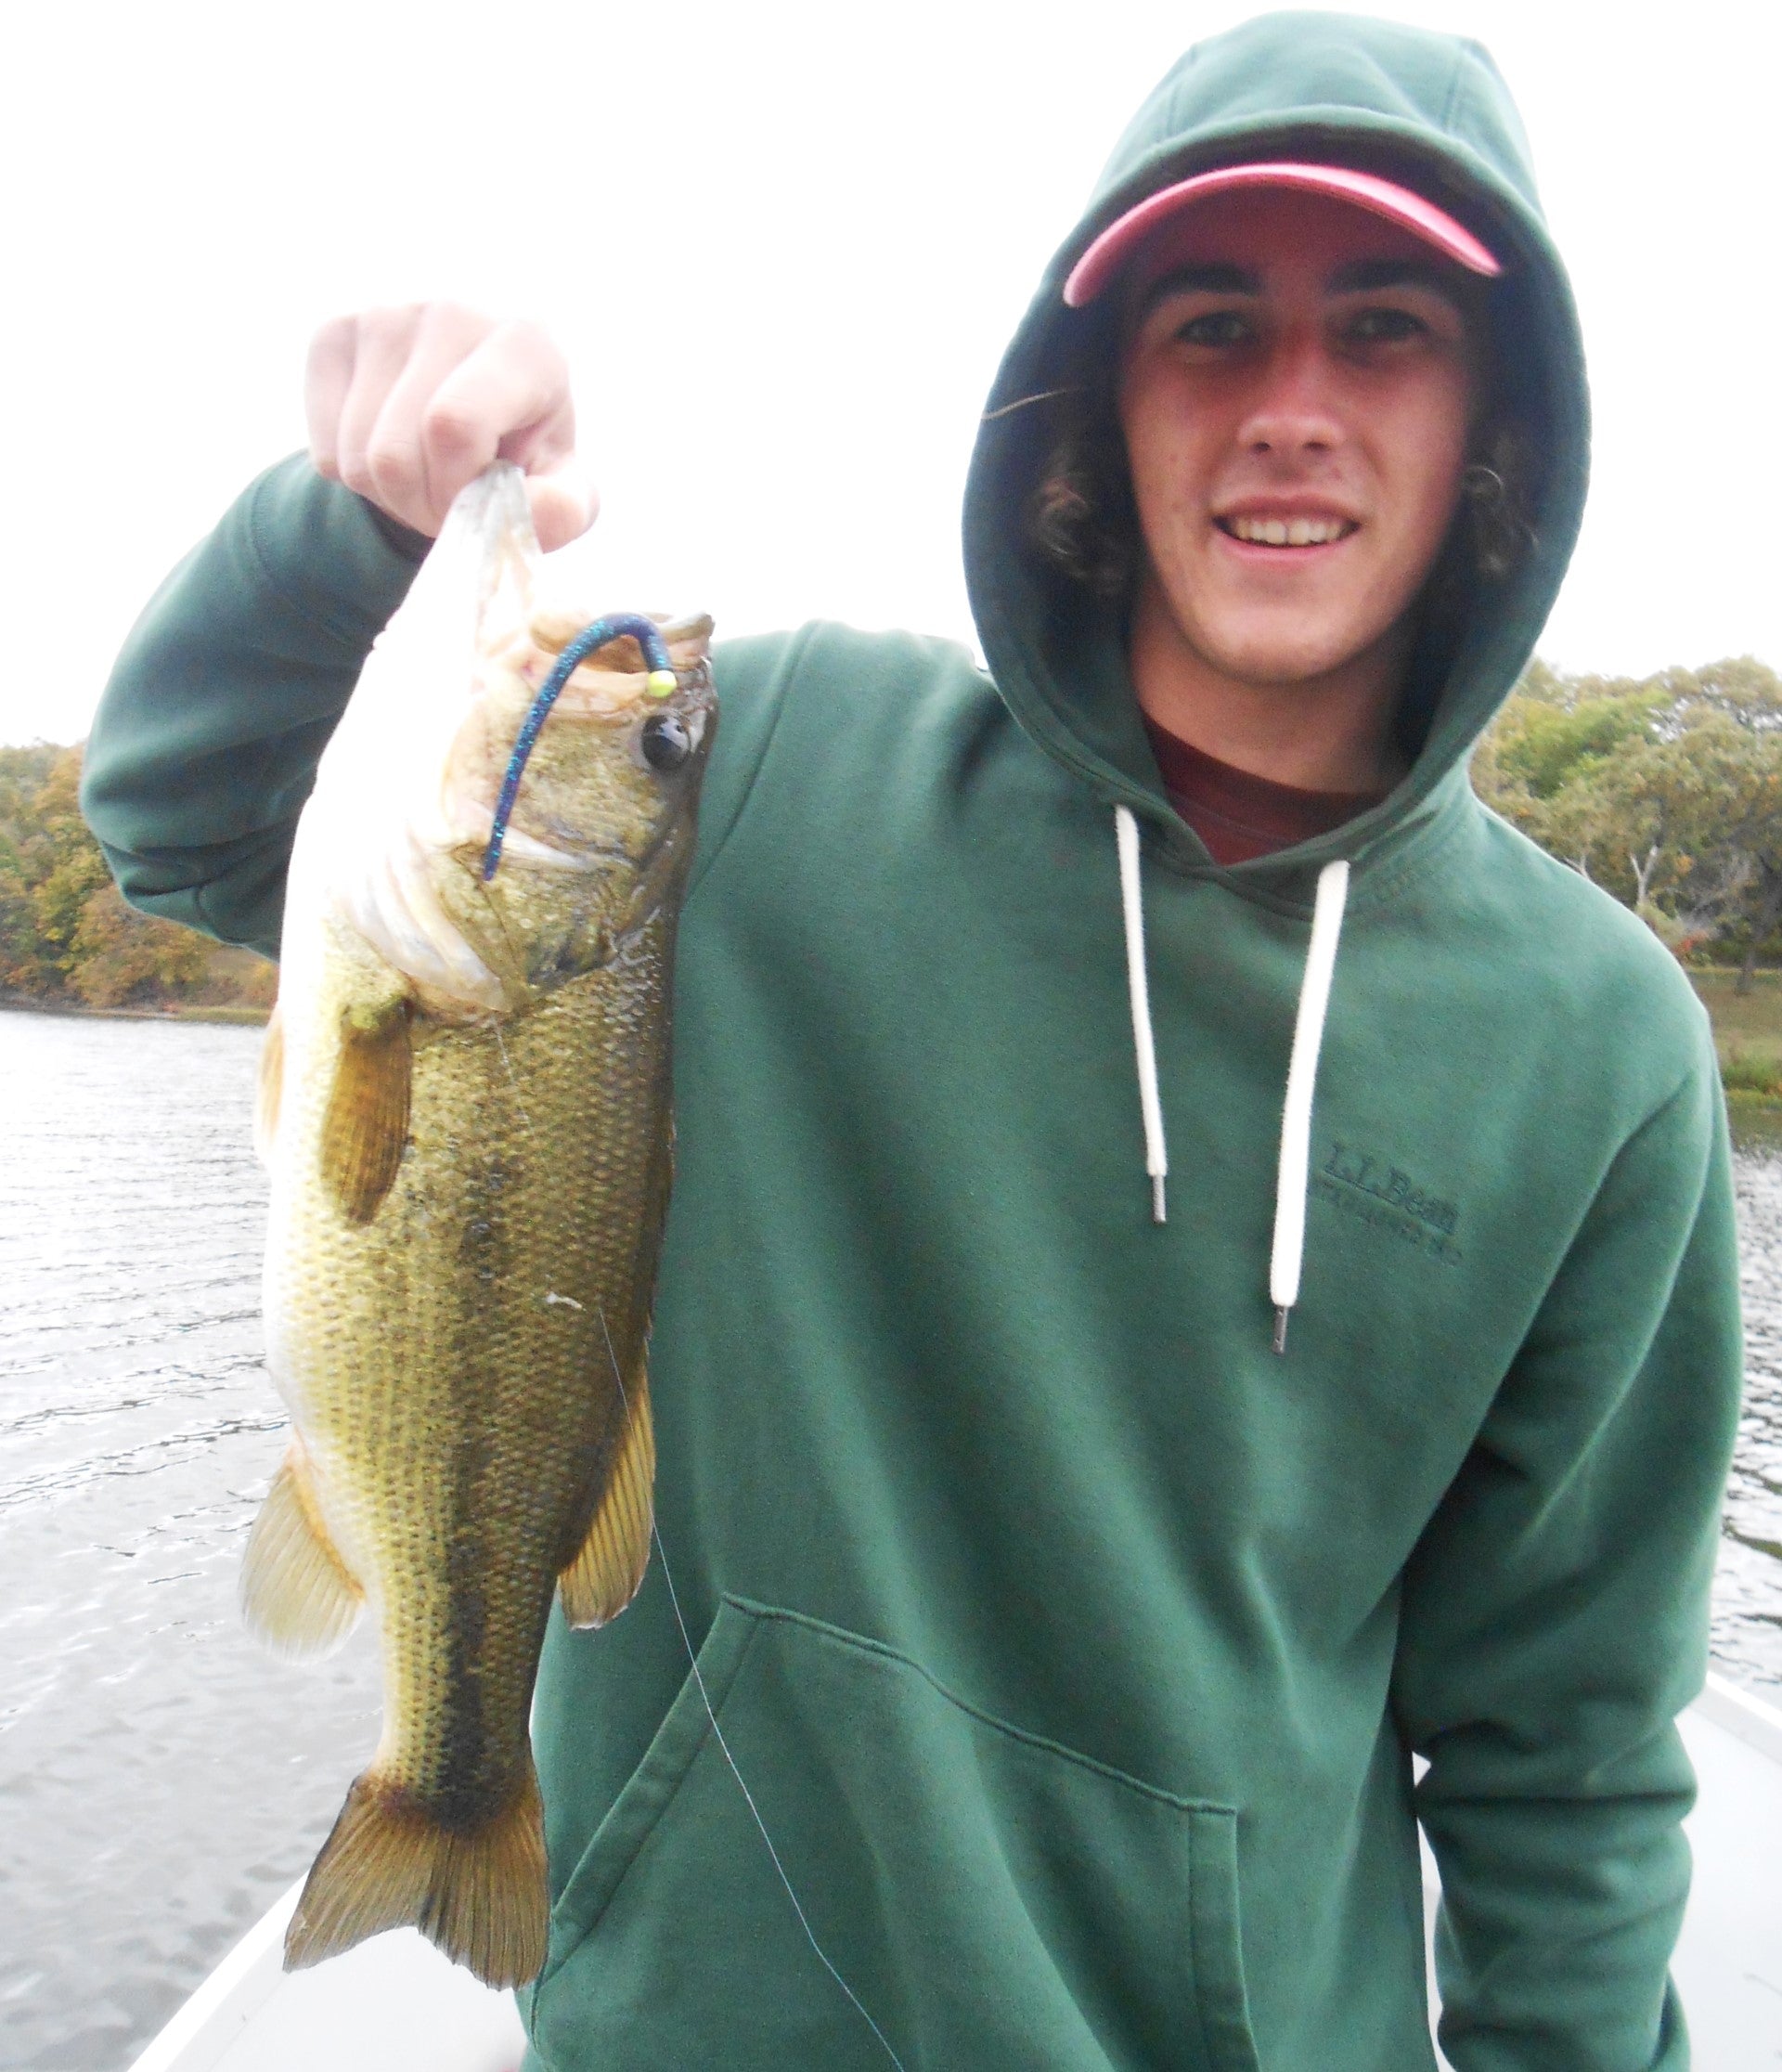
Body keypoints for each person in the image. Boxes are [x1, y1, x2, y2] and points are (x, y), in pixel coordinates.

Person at [84, 13, 1741, 2069]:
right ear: (1099, 402)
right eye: (1213, 328)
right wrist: (365, 519)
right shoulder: (769, 769)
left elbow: (1564, 1758)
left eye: (1386, 329)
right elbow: (186, 812)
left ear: (1503, 414)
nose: (1293, 410)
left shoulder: (1598, 1051)